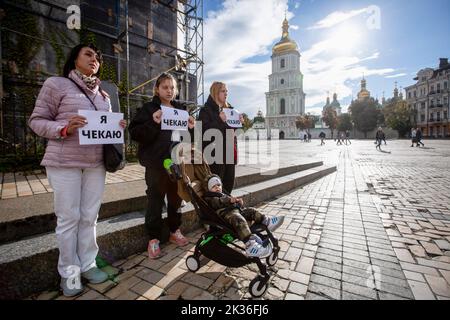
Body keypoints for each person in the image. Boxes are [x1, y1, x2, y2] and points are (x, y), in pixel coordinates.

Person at [28, 44, 127, 297]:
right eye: (89, 54)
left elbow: (103, 129)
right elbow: (36, 121)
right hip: (64, 163)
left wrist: (116, 126)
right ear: (75, 59)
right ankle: (69, 274)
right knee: (68, 218)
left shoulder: (104, 95)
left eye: (98, 57)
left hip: (95, 165)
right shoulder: (56, 84)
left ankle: (88, 265)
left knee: (89, 218)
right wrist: (64, 128)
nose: (95, 59)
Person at [128, 73, 196, 259]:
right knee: (155, 200)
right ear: (157, 89)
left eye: (172, 87)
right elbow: (135, 133)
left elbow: (190, 137)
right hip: (156, 164)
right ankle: (154, 238)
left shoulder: (181, 109)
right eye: (165, 87)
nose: (169, 91)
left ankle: (175, 230)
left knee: (176, 199)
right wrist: (153, 122)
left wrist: (191, 127)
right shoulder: (149, 109)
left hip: (177, 163)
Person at [204, 175, 285, 258]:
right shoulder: (211, 198)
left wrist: (238, 203)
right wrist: (229, 200)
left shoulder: (223, 195)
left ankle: (267, 221)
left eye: (218, 185)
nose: (217, 187)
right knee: (239, 220)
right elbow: (218, 202)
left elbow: (229, 202)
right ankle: (250, 245)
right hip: (225, 216)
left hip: (235, 212)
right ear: (210, 189)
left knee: (251, 210)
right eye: (214, 186)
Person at [198, 82, 243, 194]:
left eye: (226, 91)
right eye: (223, 91)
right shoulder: (205, 110)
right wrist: (219, 120)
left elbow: (233, 133)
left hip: (229, 154)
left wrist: (239, 123)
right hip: (214, 156)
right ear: (215, 92)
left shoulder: (230, 110)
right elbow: (203, 131)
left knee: (228, 185)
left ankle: (227, 209)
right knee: (215, 188)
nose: (226, 93)